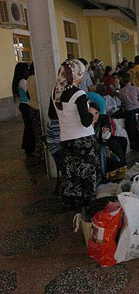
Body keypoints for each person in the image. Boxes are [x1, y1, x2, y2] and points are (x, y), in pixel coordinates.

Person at [50, 59, 100, 209]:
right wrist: (92, 113)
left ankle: (73, 202)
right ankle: (88, 204)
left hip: (67, 139)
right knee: (87, 173)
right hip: (83, 140)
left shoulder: (56, 91)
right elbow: (86, 121)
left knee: (72, 172)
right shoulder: (79, 93)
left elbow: (52, 114)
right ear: (77, 74)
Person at [12, 62, 34, 156]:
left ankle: (27, 147)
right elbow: (29, 94)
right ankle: (29, 147)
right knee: (29, 127)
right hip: (26, 106)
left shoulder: (19, 81)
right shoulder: (23, 82)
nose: (28, 71)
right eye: (26, 69)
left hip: (23, 105)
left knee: (28, 127)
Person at [120, 72, 139, 148]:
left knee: (131, 127)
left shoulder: (122, 90)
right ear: (131, 80)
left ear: (123, 81)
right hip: (138, 108)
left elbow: (123, 102)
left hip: (129, 110)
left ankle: (133, 143)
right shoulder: (135, 88)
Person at [25, 63, 44, 159]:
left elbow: (28, 93)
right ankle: (42, 152)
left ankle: (39, 150)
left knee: (37, 131)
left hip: (32, 105)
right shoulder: (38, 78)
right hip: (38, 106)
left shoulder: (29, 78)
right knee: (42, 130)